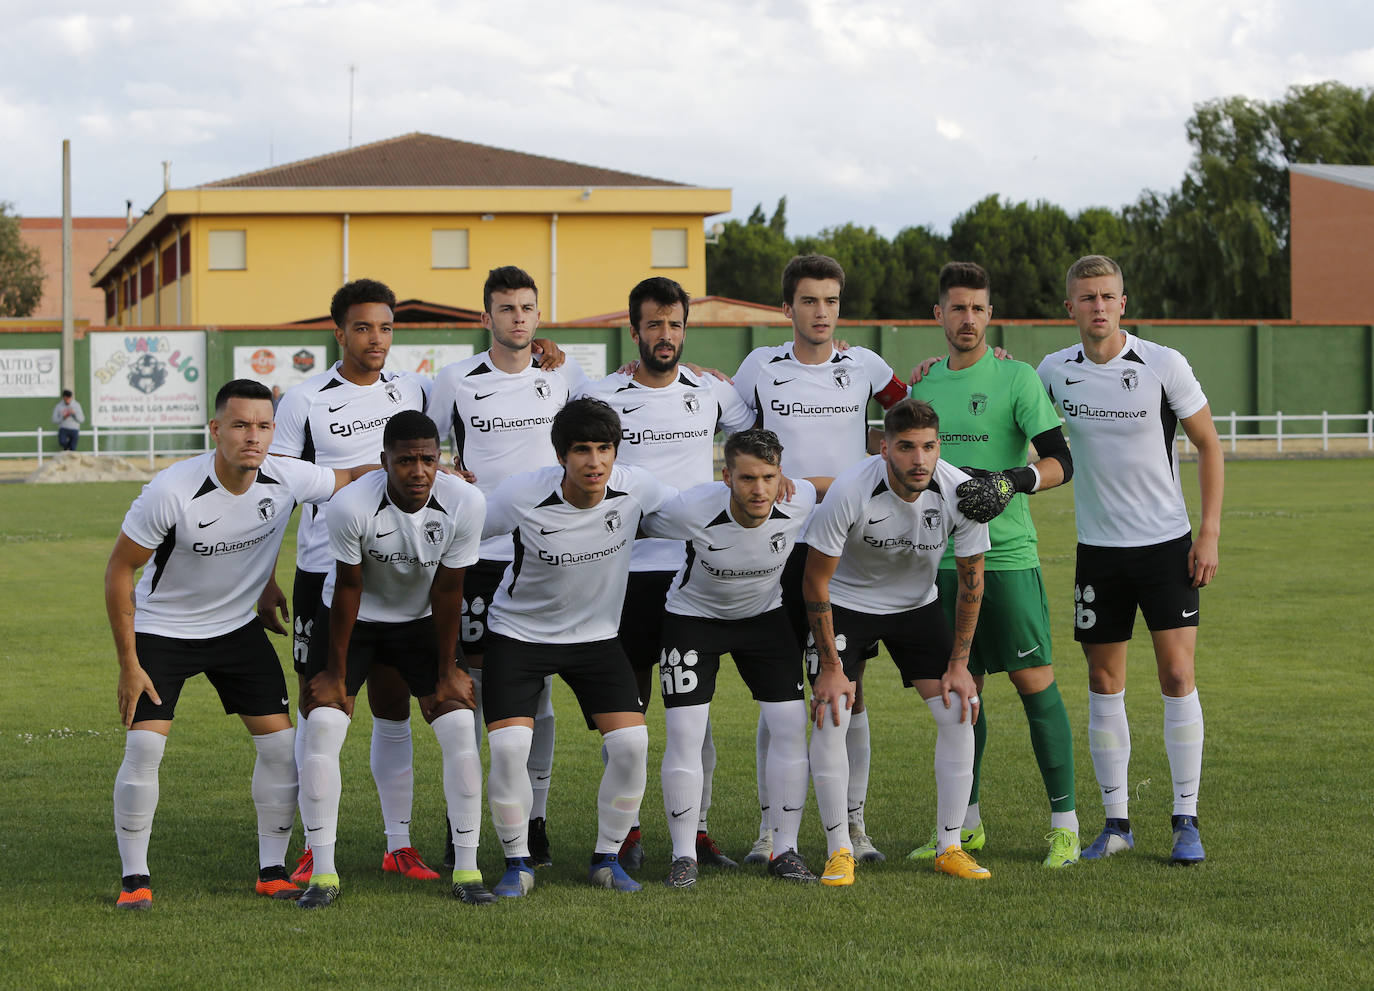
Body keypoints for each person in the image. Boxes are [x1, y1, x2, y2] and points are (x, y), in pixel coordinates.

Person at [105, 379, 369, 909]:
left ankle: (271, 869)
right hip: (164, 631)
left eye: (264, 426)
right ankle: (135, 879)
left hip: (235, 630)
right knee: (145, 748)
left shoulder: (287, 475)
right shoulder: (171, 490)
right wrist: (130, 664)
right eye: (241, 425)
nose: (254, 436)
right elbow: (119, 571)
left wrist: (431, 474)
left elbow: (351, 477)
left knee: (279, 749)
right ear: (216, 430)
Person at [1036, 255, 1222, 865]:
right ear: (1071, 307)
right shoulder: (1053, 371)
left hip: (1167, 547)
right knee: (1103, 682)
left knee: (1175, 675)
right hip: (1099, 552)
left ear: (1122, 302)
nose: (1097, 306)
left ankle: (1185, 820)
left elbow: (1208, 444)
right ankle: (1116, 823)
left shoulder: (1162, 364)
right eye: (1086, 297)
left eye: (1107, 296)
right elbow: (1013, 402)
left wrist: (1209, 533)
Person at [732, 253, 909, 864]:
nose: (822, 312)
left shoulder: (864, 366)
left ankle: (854, 829)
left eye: (832, 301)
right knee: (780, 692)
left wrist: (946, 371)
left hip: (849, 546)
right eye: (810, 301)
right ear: (787, 309)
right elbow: (723, 425)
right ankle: (769, 831)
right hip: (779, 546)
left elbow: (908, 407)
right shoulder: (759, 367)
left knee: (849, 688)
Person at [576, 276, 754, 871]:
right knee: (626, 715)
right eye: (654, 324)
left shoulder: (712, 392)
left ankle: (696, 831)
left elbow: (760, 429)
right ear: (634, 331)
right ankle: (623, 835)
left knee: (692, 714)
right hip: (622, 575)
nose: (666, 335)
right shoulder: (601, 396)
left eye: (675, 324)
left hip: (692, 577)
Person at [262, 278, 436, 884]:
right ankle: (315, 845)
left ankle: (399, 844)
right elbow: (278, 479)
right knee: (322, 707)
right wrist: (266, 575)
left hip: (399, 576)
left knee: (393, 708)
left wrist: (546, 349)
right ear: (338, 333)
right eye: (362, 327)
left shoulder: (414, 387)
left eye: (385, 327)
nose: (376, 339)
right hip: (323, 575)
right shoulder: (305, 399)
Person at [907, 261, 1080, 868]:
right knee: (962, 695)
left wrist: (1013, 481)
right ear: (939, 315)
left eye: (979, 309)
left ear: (990, 314)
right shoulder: (922, 391)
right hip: (939, 566)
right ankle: (963, 826)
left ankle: (1066, 824)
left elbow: (1062, 461)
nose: (969, 320)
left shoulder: (1017, 378)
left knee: (1036, 687)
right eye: (957, 308)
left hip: (1005, 560)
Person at [294, 411, 490, 908]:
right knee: (322, 725)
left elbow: (450, 590)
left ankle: (467, 870)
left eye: (428, 459)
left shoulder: (465, 501)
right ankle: (322, 873)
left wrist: (447, 672)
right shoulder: (350, 505)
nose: (418, 471)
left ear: (440, 458)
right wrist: (336, 675)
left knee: (459, 727)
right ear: (384, 462)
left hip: (420, 621)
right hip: (352, 621)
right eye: (405, 461)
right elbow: (348, 589)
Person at [478, 398, 671, 897]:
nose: (595, 462)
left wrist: (771, 485)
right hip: (518, 635)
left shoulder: (637, 488)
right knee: (509, 748)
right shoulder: (522, 494)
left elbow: (694, 509)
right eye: (582, 450)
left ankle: (606, 859)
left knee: (631, 745)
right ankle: (517, 862)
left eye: (604, 448)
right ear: (562, 455)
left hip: (596, 639)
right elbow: (464, 534)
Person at [428, 265, 586, 870]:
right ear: (485, 317)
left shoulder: (563, 375)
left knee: (536, 693)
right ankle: (461, 818)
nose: (518, 318)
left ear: (538, 315)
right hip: (475, 559)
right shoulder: (455, 380)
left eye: (527, 308)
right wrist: (445, 470)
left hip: (546, 557)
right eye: (506, 308)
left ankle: (535, 819)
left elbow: (600, 430)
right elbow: (420, 444)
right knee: (467, 690)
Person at [804, 398, 991, 884]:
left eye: (928, 447)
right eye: (906, 448)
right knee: (833, 710)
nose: (919, 460)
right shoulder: (851, 488)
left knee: (959, 707)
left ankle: (949, 844)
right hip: (847, 601)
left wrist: (959, 663)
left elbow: (972, 583)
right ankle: (839, 848)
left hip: (917, 606)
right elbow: (815, 582)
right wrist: (830, 666)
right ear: (883, 448)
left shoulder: (960, 492)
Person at [638, 428, 816, 887]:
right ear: (727, 477)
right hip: (692, 619)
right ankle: (684, 857)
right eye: (747, 478)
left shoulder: (799, 499)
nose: (759, 490)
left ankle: (786, 850)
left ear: (782, 476)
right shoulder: (692, 508)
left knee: (791, 728)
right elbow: (633, 514)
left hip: (765, 619)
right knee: (685, 733)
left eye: (769, 477)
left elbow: (842, 484)